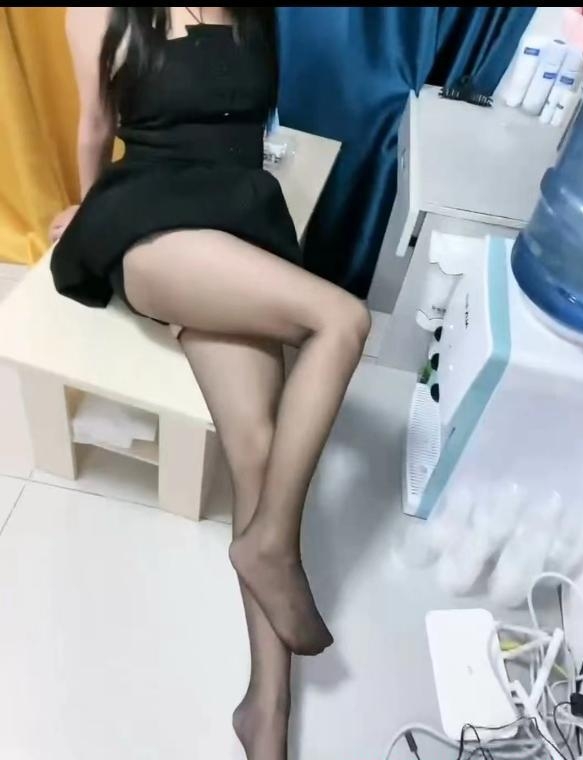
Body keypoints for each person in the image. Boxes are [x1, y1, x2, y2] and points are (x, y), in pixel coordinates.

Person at [50, 7, 371, 758]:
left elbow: (247, 126)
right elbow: (95, 125)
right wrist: (89, 215)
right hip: (150, 223)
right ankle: (271, 546)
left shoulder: (254, 10)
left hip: (239, 219)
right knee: (343, 319)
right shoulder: (98, 11)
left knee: (255, 445)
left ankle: (267, 711)